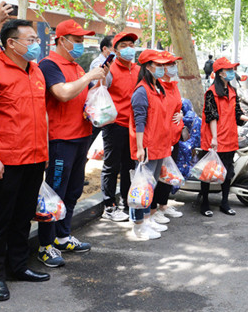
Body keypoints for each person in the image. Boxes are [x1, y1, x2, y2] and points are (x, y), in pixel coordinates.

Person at [0, 19, 51, 301]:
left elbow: (41, 113)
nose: (36, 43)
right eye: (30, 39)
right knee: (0, 219)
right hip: (5, 159)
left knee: (22, 217)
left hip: (34, 156)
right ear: (11, 43)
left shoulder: (37, 71)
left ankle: (18, 266)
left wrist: (45, 151)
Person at [35, 20, 109, 268]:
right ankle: (45, 246)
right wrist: (89, 75)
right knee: (54, 193)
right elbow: (63, 93)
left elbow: (84, 95)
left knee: (73, 189)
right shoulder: (49, 64)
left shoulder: (76, 66)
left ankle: (62, 236)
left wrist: (98, 82)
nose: (80, 45)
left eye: (82, 40)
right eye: (77, 40)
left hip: (80, 136)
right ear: (61, 40)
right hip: (60, 139)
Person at [128, 50, 183, 239]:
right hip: (149, 146)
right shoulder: (142, 90)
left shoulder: (158, 88)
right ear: (147, 67)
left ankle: (147, 219)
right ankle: (138, 225)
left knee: (150, 186)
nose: (161, 68)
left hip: (161, 144)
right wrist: (141, 147)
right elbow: (139, 121)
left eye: (162, 65)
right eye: (157, 65)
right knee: (141, 187)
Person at [199, 57, 248, 217]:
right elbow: (211, 117)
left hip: (230, 138)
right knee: (208, 173)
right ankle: (204, 203)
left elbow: (237, 113)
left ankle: (224, 202)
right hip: (214, 138)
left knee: (227, 172)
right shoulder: (211, 93)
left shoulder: (232, 91)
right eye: (229, 70)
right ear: (220, 73)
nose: (232, 72)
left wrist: (247, 118)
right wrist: (214, 138)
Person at [100, 32, 140, 222]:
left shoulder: (139, 70)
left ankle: (125, 201)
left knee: (129, 166)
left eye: (131, 44)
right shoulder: (109, 69)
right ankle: (109, 206)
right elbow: (99, 92)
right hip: (114, 124)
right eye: (123, 45)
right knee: (111, 166)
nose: (128, 48)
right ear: (115, 50)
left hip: (133, 126)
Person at [151, 50, 186, 222]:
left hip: (175, 136)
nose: (173, 68)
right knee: (157, 173)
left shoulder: (173, 85)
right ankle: (153, 209)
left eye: (174, 64)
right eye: (170, 64)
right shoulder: (157, 86)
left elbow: (177, 107)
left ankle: (163, 205)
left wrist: (180, 115)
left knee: (168, 173)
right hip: (162, 137)